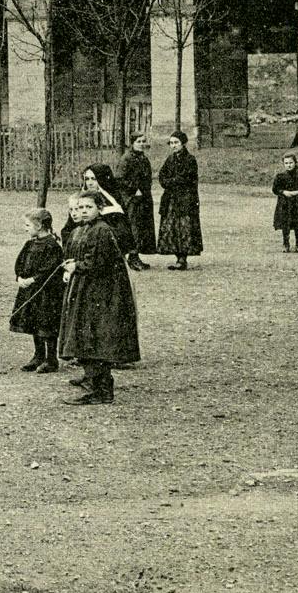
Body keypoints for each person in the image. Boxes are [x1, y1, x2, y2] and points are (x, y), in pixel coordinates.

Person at [58, 189, 141, 405]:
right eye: (80, 208)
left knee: (96, 337)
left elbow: (97, 263)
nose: (83, 212)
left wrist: (76, 265)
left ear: (100, 209)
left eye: (88, 207)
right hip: (88, 289)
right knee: (87, 336)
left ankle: (102, 389)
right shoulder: (85, 229)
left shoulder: (102, 230)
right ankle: (95, 384)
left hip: (102, 293)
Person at [10, 208, 64, 373]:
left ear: (39, 225)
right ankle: (38, 355)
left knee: (47, 324)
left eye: (27, 225)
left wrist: (33, 280)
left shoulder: (52, 246)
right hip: (30, 290)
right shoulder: (30, 243)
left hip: (47, 293)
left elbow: (50, 269)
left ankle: (51, 359)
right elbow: (20, 262)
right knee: (34, 322)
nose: (25, 228)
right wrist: (20, 277)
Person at [156, 131, 203, 271]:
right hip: (171, 199)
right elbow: (161, 176)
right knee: (171, 227)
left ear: (183, 143)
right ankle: (177, 256)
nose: (173, 145)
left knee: (184, 227)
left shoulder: (190, 160)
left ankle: (183, 258)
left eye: (176, 142)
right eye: (171, 143)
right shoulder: (170, 159)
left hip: (185, 200)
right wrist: (169, 182)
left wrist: (171, 182)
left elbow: (185, 179)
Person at [117, 133, 156, 270]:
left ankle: (136, 256)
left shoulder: (143, 158)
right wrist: (134, 190)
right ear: (132, 143)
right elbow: (120, 179)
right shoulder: (126, 159)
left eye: (143, 141)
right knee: (134, 227)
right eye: (138, 141)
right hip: (131, 199)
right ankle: (132, 257)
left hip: (143, 198)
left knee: (142, 227)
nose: (141, 144)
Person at [272, 153, 298, 252]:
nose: (289, 165)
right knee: (285, 224)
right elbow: (275, 189)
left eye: (291, 162)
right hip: (285, 204)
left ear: (295, 163)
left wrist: (297, 192)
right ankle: (286, 244)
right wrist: (283, 192)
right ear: (283, 164)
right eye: (286, 163)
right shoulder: (280, 176)